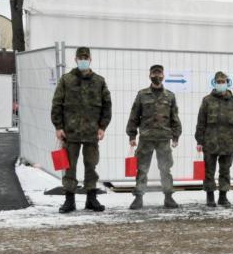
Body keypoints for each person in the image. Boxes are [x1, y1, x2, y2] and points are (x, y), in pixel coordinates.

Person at [50, 46, 112, 213]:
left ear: (90, 59)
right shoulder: (66, 80)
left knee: (91, 166)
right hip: (71, 132)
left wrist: (102, 127)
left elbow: (107, 105)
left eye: (86, 57)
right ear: (76, 59)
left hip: (92, 132)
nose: (83, 60)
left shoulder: (99, 81)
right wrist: (58, 126)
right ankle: (69, 200)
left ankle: (91, 199)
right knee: (69, 167)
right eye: (80, 57)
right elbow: (57, 104)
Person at [125, 64, 183, 210]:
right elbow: (134, 115)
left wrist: (176, 135)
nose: (157, 76)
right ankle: (138, 198)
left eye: (159, 73)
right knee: (142, 169)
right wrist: (132, 135)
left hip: (164, 138)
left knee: (165, 169)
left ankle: (168, 197)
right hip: (146, 138)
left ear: (163, 75)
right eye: (154, 73)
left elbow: (174, 117)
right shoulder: (142, 94)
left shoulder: (170, 96)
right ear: (149, 75)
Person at [195, 71, 233, 207]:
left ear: (227, 83)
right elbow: (201, 122)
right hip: (210, 141)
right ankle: (210, 197)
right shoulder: (207, 100)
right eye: (219, 82)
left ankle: (223, 196)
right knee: (209, 171)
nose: (221, 84)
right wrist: (199, 141)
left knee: (225, 170)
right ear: (215, 83)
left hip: (228, 142)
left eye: (223, 82)